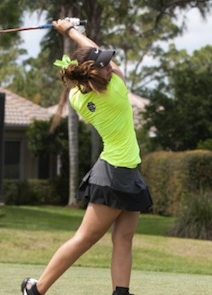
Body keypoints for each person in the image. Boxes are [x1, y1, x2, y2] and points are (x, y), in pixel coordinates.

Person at [21, 18, 153, 295]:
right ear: (97, 73)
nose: (110, 66)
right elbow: (95, 50)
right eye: (104, 64)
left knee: (124, 238)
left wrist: (72, 33)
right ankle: (37, 289)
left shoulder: (77, 98)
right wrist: (70, 30)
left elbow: (92, 57)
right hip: (114, 173)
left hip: (124, 170)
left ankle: (121, 292)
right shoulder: (116, 90)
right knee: (85, 238)